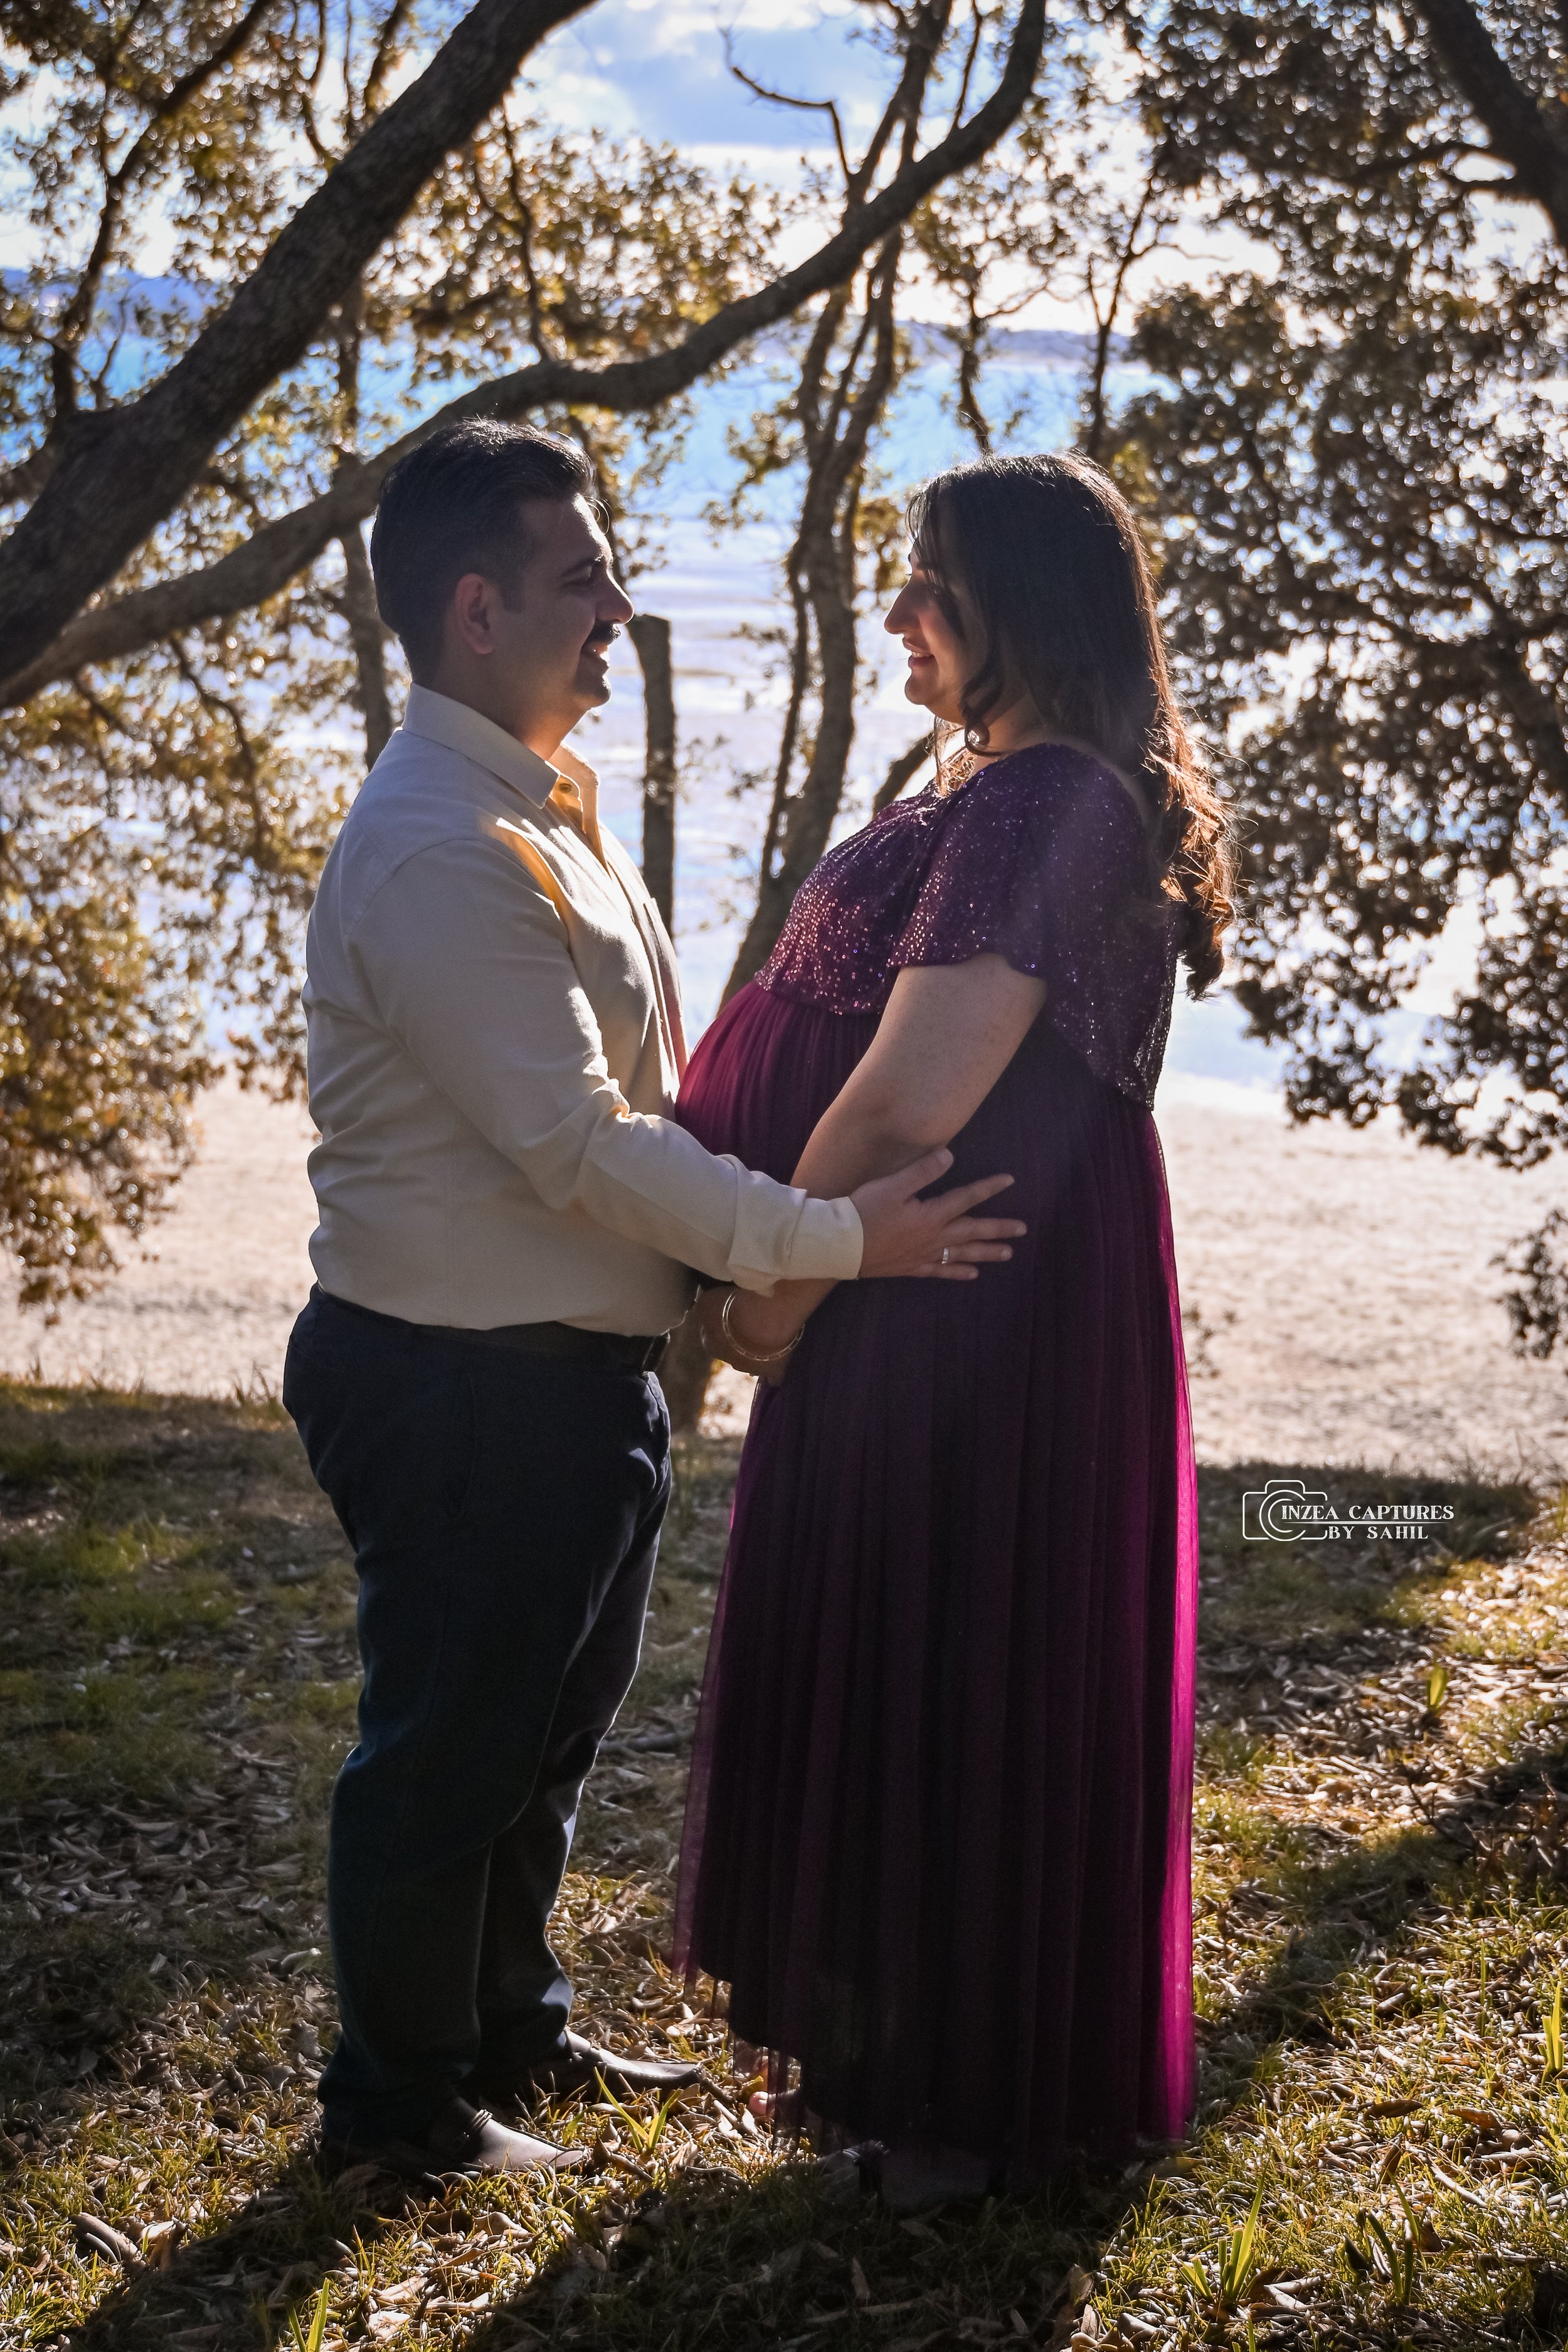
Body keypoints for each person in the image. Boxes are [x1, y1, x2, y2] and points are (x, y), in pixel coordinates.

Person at [282, 419, 1025, 2185]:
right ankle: (394, 2113)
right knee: (446, 1752)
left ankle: (509, 2036)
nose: (617, 607)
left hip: (566, 1372)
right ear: (475, 611)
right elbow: (581, 1145)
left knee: (540, 1738)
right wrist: (828, 1239)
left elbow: (631, 1106)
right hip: (460, 1376)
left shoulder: (536, 807)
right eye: (581, 579)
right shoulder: (439, 847)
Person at [673, 452, 1232, 2208]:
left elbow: (908, 1094)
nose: (901, 611)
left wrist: (770, 1288)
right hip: (928, 1283)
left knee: (952, 1651)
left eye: (934, 583)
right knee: (918, 1647)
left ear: (1026, 606)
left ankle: (956, 2109)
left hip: (948, 1299)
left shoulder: (1041, 801)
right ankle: (900, 2080)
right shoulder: (1016, 785)